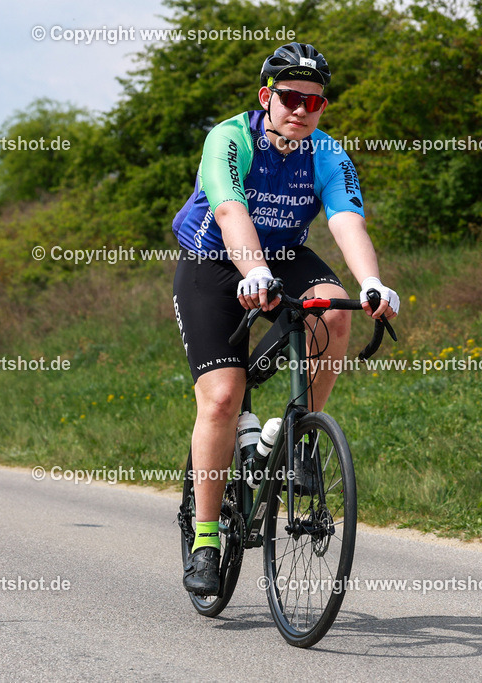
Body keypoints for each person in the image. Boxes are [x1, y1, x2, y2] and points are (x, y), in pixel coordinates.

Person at [172, 42, 399, 595]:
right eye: (290, 97)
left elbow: (346, 220)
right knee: (222, 398)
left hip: (285, 256)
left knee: (335, 309)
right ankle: (205, 540)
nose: (301, 109)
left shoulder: (327, 152)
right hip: (215, 261)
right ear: (266, 98)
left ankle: (299, 444)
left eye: (313, 102)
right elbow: (229, 210)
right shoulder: (229, 138)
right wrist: (251, 269)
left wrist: (371, 282)